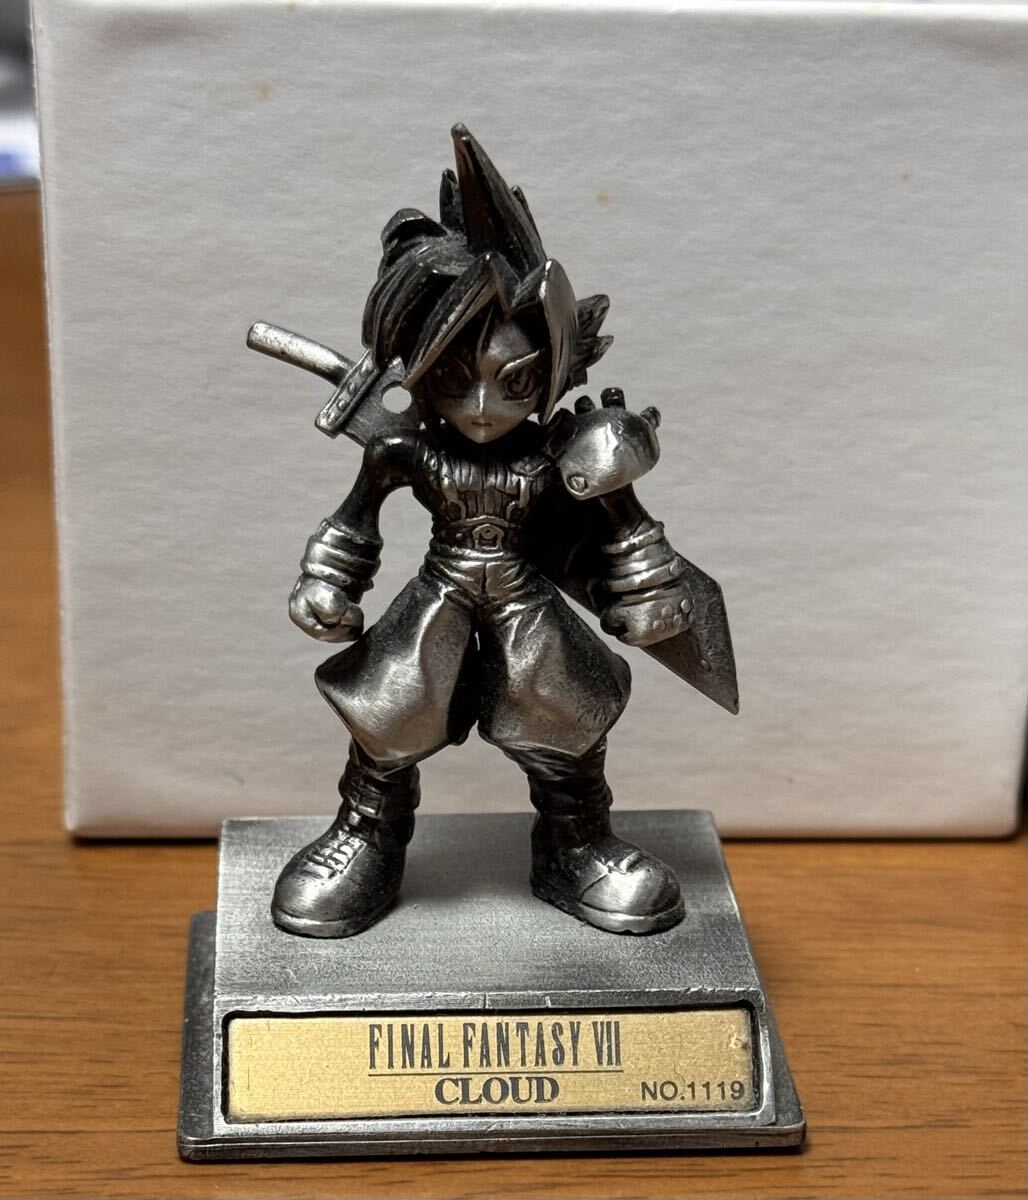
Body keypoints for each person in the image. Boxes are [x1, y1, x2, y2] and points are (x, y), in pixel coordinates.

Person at [272, 126, 697, 939]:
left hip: (524, 601)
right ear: (415, 366)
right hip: (441, 592)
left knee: (563, 720)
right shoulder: (404, 450)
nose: (479, 408)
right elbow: (356, 520)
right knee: (389, 719)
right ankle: (366, 835)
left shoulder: (561, 454)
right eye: (454, 377)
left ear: (555, 367)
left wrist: (649, 591)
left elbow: (624, 523)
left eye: (513, 382)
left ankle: (578, 843)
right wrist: (328, 580)